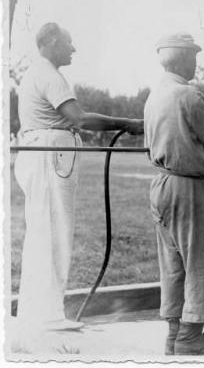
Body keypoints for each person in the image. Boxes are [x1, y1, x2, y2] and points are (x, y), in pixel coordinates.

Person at [14, 22, 143, 332]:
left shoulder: (37, 73)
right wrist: (126, 122)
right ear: (53, 41)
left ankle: (38, 311)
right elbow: (80, 119)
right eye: (69, 43)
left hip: (41, 154)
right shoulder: (48, 74)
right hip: (49, 156)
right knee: (53, 233)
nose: (73, 49)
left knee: (43, 232)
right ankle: (47, 315)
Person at [144, 32, 204, 356]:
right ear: (182, 59)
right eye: (193, 55)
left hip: (163, 185)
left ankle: (174, 334)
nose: (195, 62)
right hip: (189, 186)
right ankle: (191, 336)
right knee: (201, 260)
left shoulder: (155, 95)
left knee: (174, 263)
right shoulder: (187, 94)